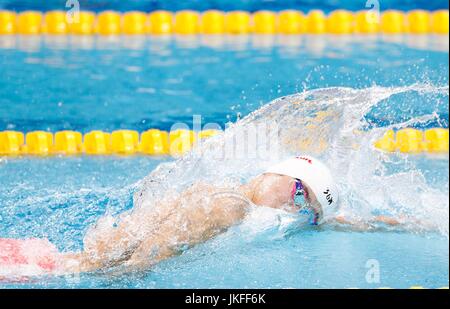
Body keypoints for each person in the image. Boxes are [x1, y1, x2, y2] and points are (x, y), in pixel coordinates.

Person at [0, 155, 399, 277]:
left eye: (303, 210)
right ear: (276, 173)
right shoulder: (230, 206)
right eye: (297, 194)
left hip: (88, 252)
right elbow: (155, 249)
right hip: (89, 266)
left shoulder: (232, 193)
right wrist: (125, 278)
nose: (290, 209)